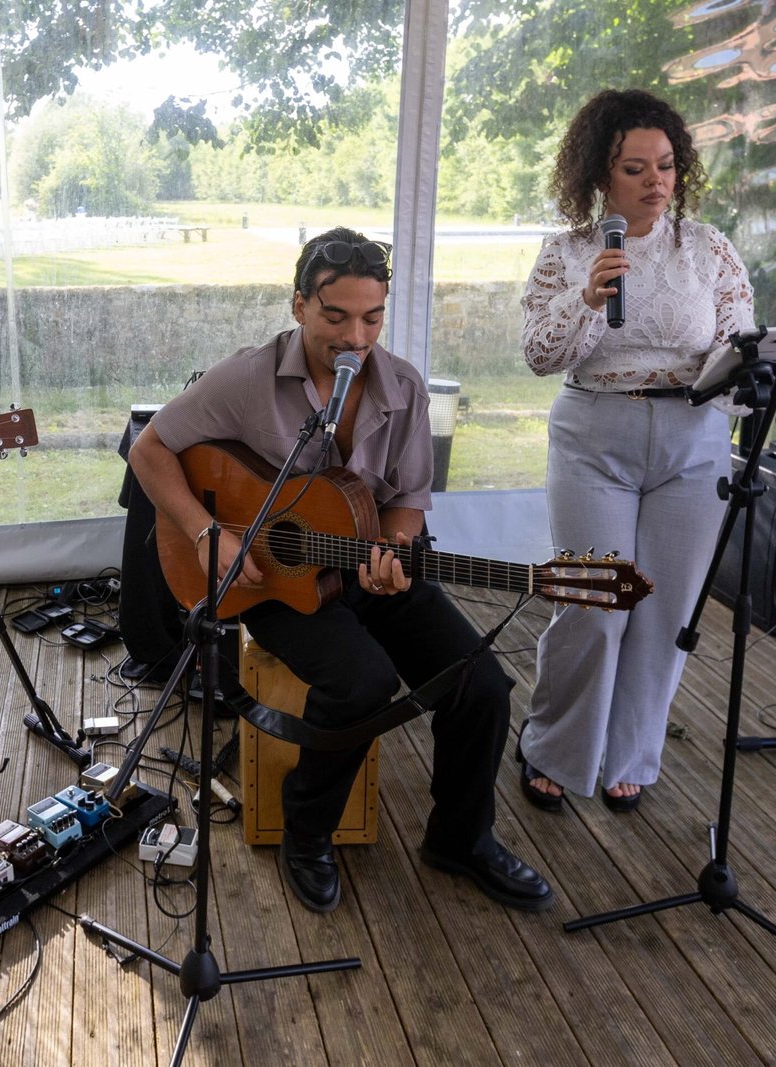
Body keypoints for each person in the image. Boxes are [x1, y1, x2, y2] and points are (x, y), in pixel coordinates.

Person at [127, 226, 554, 914]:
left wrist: (394, 550)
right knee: (362, 683)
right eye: (335, 316)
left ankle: (461, 839)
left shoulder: (405, 388)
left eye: (372, 318)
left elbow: (408, 500)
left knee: (479, 684)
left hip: (361, 563)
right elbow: (149, 449)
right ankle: (307, 831)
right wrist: (207, 533)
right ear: (298, 305)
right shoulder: (246, 378)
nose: (356, 336)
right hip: (262, 576)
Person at [518, 89, 755, 813]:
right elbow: (538, 354)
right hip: (597, 434)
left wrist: (729, 370)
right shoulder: (567, 253)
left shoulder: (708, 248)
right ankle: (555, 746)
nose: (656, 181)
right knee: (595, 603)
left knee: (665, 610)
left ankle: (630, 752)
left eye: (667, 165)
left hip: (693, 436)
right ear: (601, 175)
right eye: (635, 168)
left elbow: (739, 340)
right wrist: (587, 299)